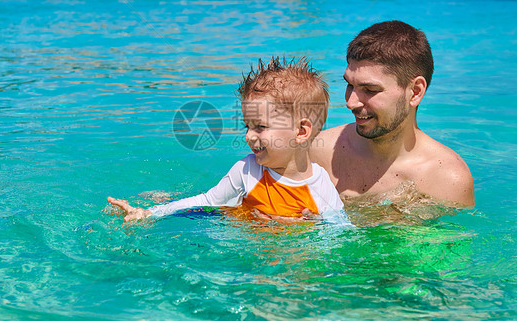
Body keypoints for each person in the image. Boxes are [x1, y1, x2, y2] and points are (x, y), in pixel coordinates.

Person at [107, 57, 344, 222]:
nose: (249, 136)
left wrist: (311, 227)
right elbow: (207, 200)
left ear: (301, 132)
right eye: (247, 126)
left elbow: (340, 233)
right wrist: (152, 213)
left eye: (260, 127)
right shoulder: (248, 170)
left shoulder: (321, 186)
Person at [310, 20, 475, 208]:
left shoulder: (447, 180)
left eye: (370, 90)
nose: (350, 103)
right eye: (350, 85)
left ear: (415, 91)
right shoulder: (318, 154)